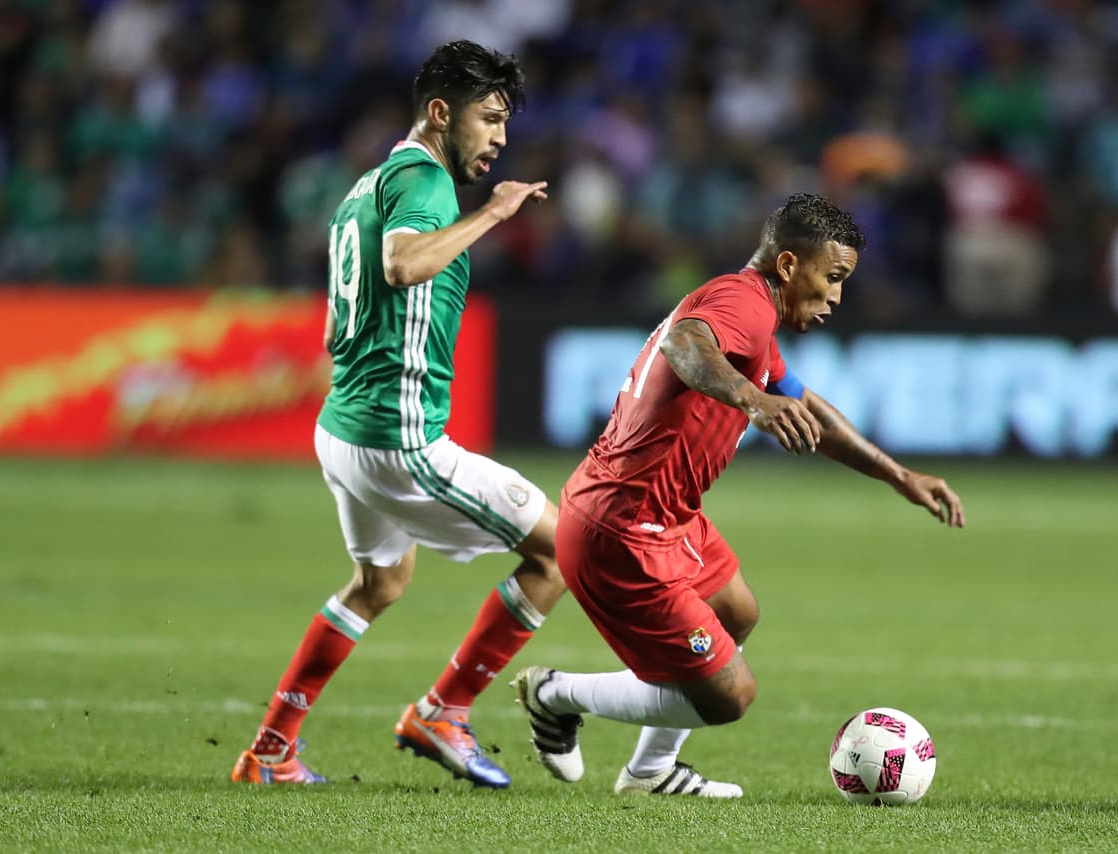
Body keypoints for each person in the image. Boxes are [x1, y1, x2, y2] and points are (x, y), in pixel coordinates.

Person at [512, 194, 966, 798]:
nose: (836, 296)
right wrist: (753, 401)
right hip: (623, 530)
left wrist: (898, 475)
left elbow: (807, 407)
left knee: (736, 612)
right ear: (786, 266)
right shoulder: (741, 303)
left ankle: (649, 774)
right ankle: (552, 694)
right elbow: (684, 345)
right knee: (730, 697)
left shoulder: (757, 318)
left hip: (665, 518)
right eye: (831, 278)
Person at [231, 40, 566, 789]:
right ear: (441, 113)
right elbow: (404, 265)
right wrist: (494, 213)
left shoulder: (366, 185)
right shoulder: (426, 180)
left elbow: (337, 321)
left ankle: (270, 750)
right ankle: (445, 710)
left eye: (506, 123)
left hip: (342, 427)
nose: (500, 138)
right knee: (559, 551)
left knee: (379, 584)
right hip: (397, 436)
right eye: (489, 119)